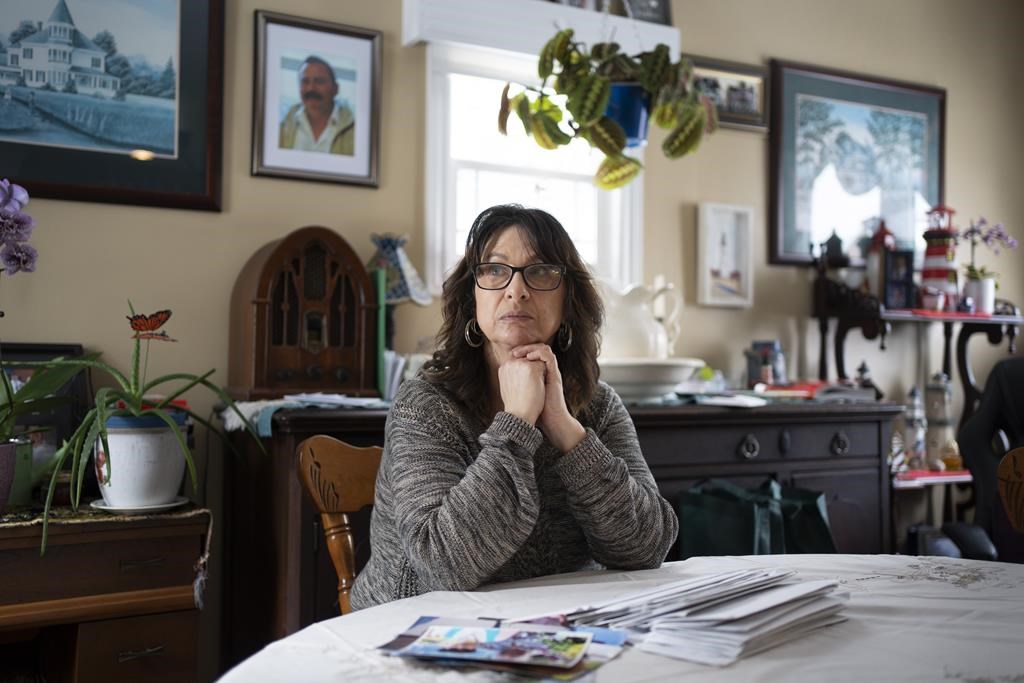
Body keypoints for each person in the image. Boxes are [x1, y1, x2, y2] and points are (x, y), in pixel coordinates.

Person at [350, 204, 679, 610]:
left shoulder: (599, 407)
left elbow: (647, 549)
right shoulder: (425, 405)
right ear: (473, 299)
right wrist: (518, 423)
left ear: (568, 300)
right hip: (414, 629)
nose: (516, 290)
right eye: (494, 269)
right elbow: (444, 567)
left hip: (554, 625)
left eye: (540, 271)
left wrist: (564, 428)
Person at [278, 55, 354, 155]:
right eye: (305, 81)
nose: (311, 88)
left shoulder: (354, 131)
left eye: (319, 81)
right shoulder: (283, 129)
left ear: (335, 89)